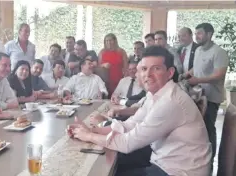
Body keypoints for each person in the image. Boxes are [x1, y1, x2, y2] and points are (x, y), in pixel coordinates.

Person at [70, 46, 212, 176]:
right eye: (144, 69)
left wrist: (88, 136)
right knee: (111, 161)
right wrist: (94, 130)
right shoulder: (155, 94)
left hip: (178, 171)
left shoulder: (170, 101)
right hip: (163, 160)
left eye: (156, 68)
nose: (148, 74)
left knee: (107, 169)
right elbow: (131, 124)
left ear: (170, 73)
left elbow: (128, 143)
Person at [186, 23, 229, 171]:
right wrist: (187, 74)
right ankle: (198, 158)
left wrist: (197, 80)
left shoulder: (219, 52)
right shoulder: (198, 50)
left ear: (209, 34)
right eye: (196, 33)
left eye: (199, 33)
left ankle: (209, 162)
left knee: (209, 129)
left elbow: (219, 74)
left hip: (211, 98)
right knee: (198, 128)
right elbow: (197, 68)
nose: (196, 36)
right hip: (196, 95)